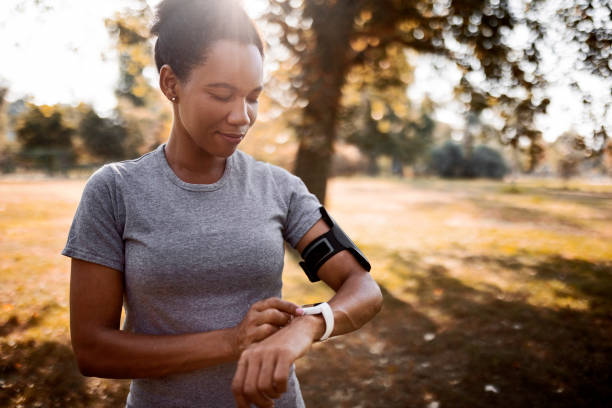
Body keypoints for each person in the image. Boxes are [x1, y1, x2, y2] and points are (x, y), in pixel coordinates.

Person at [62, 0, 382, 407]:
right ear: (171, 83)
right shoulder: (115, 191)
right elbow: (92, 350)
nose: (241, 116)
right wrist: (231, 341)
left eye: (253, 96)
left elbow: (363, 288)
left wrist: (307, 326)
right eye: (222, 94)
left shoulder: (279, 188)